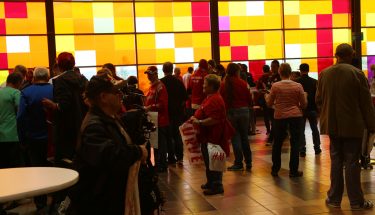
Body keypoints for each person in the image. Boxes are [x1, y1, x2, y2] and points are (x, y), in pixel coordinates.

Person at [67, 74, 148, 214]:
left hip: (111, 197)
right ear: (103, 97)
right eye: (116, 92)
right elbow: (110, 156)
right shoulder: (93, 126)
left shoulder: (109, 118)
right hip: (100, 202)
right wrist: (138, 152)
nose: (120, 95)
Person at [316, 43, 375, 210]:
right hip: (352, 125)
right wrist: (371, 125)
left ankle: (334, 199)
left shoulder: (324, 74)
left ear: (337, 55)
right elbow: (366, 103)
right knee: (351, 162)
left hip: (332, 124)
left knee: (336, 160)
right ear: (351, 55)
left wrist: (328, 114)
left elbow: (318, 100)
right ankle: (356, 201)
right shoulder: (356, 74)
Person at [16, 67, 53, 212]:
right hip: (52, 137)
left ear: (34, 77)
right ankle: (56, 199)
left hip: (33, 137)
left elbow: (20, 118)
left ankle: (40, 203)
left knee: (37, 169)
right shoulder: (55, 90)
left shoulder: (26, 92)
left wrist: (22, 138)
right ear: (48, 76)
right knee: (55, 168)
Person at [191, 74, 234, 195]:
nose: (203, 85)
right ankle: (210, 181)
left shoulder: (215, 99)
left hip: (214, 136)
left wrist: (199, 121)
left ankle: (217, 185)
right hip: (208, 136)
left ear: (211, 86)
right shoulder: (210, 97)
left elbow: (215, 119)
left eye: (205, 83)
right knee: (209, 160)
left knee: (214, 160)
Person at [42, 52, 88, 163]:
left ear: (58, 65)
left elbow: (63, 105)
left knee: (65, 160)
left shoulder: (60, 81)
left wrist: (52, 104)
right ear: (74, 63)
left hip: (66, 126)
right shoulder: (83, 79)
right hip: (83, 121)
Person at [266, 63, 306, 177]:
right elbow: (303, 104)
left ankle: (275, 169)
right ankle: (293, 171)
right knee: (295, 143)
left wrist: (268, 98)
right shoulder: (298, 86)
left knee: (277, 143)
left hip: (280, 117)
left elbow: (269, 103)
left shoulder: (275, 86)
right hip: (295, 116)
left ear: (279, 72)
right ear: (290, 72)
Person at [220, 63, 252, 171]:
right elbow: (249, 98)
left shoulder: (223, 84)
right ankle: (249, 162)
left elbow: (221, 100)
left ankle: (238, 163)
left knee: (235, 138)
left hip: (231, 113)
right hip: (244, 112)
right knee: (244, 137)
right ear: (236, 72)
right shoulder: (243, 83)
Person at [160, 62, 187, 165]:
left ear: (163, 70)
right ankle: (180, 157)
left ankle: (171, 157)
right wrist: (179, 107)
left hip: (166, 114)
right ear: (172, 70)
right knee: (177, 135)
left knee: (168, 136)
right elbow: (184, 99)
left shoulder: (161, 83)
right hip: (177, 113)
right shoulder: (178, 82)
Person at [144, 66, 169, 173]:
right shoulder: (152, 87)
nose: (148, 76)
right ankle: (158, 164)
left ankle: (162, 165)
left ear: (155, 74)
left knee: (160, 145)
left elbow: (163, 105)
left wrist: (150, 107)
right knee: (155, 144)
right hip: (153, 119)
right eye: (147, 74)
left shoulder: (160, 87)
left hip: (160, 120)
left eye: (150, 74)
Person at [296, 63, 321, 157]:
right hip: (312, 108)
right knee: (314, 128)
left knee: (301, 129)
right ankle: (317, 148)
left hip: (301, 109)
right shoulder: (314, 81)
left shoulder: (296, 82)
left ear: (300, 70)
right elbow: (318, 96)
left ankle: (302, 149)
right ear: (308, 70)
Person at [0, 72, 24, 168]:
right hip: (12, 134)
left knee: (2, 164)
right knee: (14, 165)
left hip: (1, 135)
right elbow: (21, 111)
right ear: (18, 82)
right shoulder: (16, 93)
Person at [256, 65, 272, 136]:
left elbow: (258, 89)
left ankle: (268, 130)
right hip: (272, 98)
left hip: (264, 99)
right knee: (272, 115)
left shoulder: (261, 78)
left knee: (266, 115)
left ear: (263, 70)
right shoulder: (272, 77)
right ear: (269, 69)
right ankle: (274, 130)